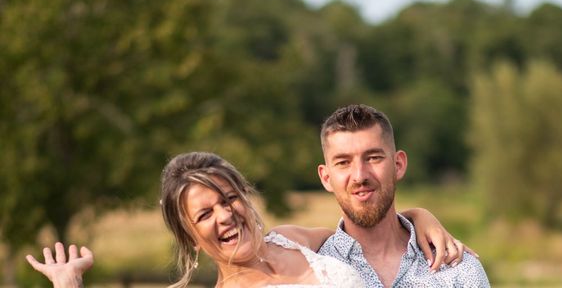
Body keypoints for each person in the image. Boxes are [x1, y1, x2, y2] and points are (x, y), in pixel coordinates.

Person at [27, 151, 472, 287]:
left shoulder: (292, 238)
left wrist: (419, 216)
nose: (224, 215)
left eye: (228, 198)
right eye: (204, 213)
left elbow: (368, 227)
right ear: (191, 237)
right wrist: (70, 286)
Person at [317, 103, 490, 287]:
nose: (360, 176)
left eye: (373, 158)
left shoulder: (460, 270)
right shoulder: (309, 276)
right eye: (343, 162)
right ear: (326, 177)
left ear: (398, 165)